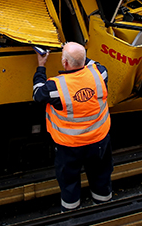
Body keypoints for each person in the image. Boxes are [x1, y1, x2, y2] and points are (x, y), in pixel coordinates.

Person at [32, 42, 112, 211]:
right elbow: (91, 63)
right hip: (98, 140)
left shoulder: (56, 87)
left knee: (69, 180)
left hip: (70, 146)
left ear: (65, 63)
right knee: (101, 174)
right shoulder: (100, 74)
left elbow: (37, 93)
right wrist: (75, 53)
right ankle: (104, 207)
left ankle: (71, 212)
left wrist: (41, 66)